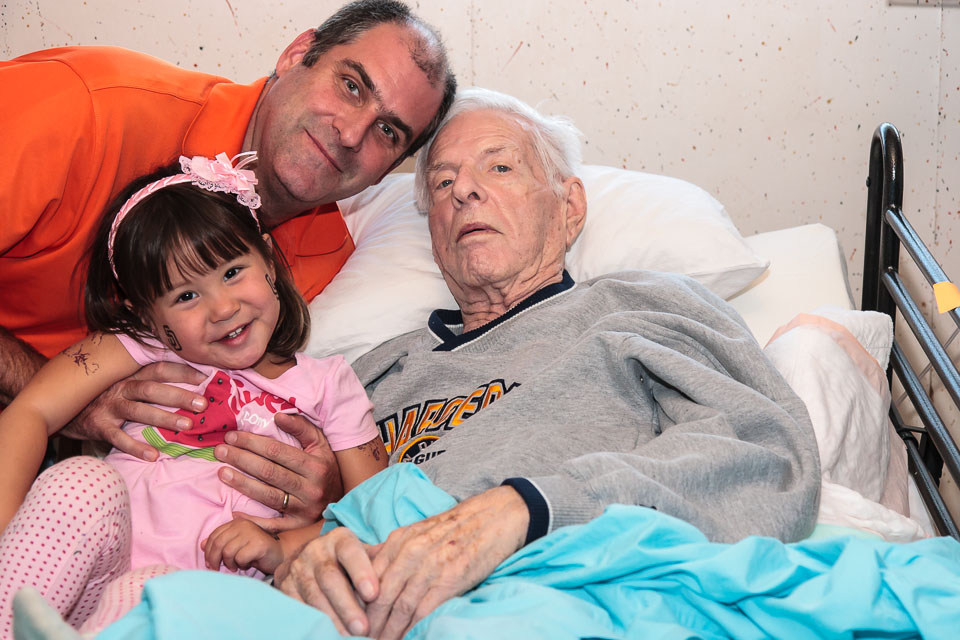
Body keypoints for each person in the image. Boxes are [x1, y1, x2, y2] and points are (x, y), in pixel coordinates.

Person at [273, 88, 822, 640]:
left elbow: (766, 459)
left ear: (569, 207)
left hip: (547, 602)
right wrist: (318, 523)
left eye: (500, 167)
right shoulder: (369, 374)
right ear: (433, 230)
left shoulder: (639, 307)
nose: (464, 189)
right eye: (443, 182)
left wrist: (528, 509)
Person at [0, 0, 455, 527]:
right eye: (352, 85)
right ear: (297, 54)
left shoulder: (323, 262)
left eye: (388, 132)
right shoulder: (85, 106)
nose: (352, 134)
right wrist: (63, 396)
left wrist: (323, 493)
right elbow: (40, 410)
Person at [0, 153, 388, 637]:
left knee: (151, 587)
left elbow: (376, 513)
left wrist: (283, 548)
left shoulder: (328, 386)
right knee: (81, 479)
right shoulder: (145, 344)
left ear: (269, 261)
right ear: (146, 315)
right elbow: (31, 411)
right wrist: (12, 540)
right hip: (81, 579)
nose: (222, 308)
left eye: (232, 272)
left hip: (194, 605)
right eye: (185, 296)